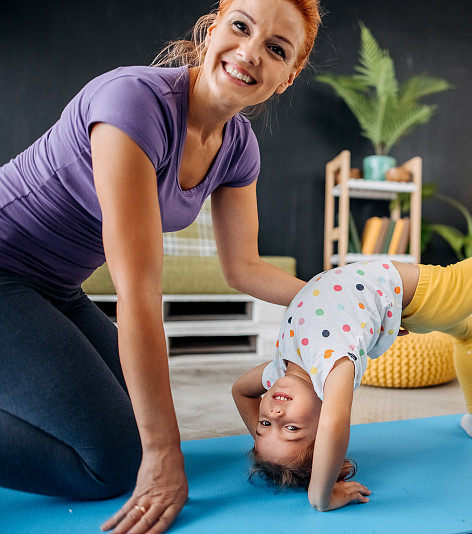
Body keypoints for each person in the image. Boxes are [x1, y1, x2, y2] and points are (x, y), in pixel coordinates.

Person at [0, 0, 321, 532]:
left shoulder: (237, 146)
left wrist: (351, 296)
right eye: (240, 27)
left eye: (275, 49)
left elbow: (243, 268)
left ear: (287, 77)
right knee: (114, 462)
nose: (249, 53)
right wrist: (164, 453)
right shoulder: (134, 102)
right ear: (212, 28)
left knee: (132, 414)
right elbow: (139, 294)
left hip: (55, 288)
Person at [231, 240, 472, 511]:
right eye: (291, 429)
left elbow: (239, 392)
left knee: (468, 333)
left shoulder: (282, 367)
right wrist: (321, 495)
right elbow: (336, 423)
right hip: (429, 294)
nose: (275, 415)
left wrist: (270, 441)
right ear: (321, 418)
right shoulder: (332, 367)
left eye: (264, 424)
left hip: (406, 311)